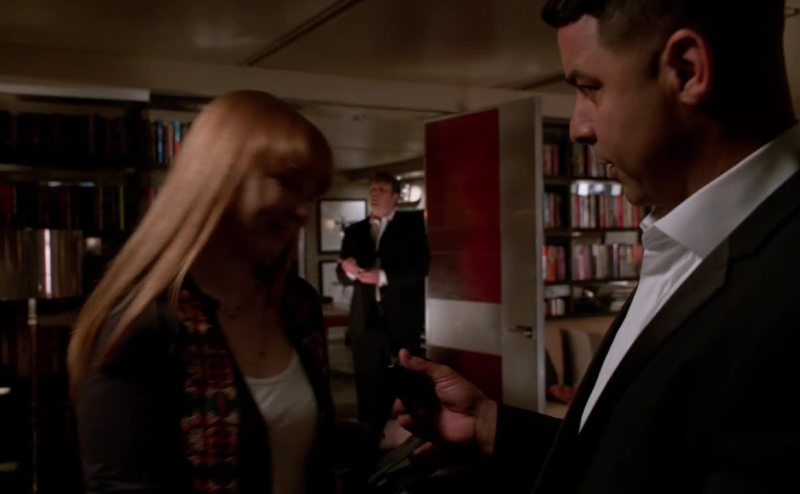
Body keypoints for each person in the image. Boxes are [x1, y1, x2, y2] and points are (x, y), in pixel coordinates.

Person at [395, 1, 800, 493]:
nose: (578, 127)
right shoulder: (684, 242)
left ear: (688, 69)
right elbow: (644, 464)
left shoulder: (783, 291)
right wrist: (489, 425)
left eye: (590, 87)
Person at [67, 90, 340, 494]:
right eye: (288, 183)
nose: (303, 211)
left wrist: (397, 433)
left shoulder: (295, 304)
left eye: (311, 194)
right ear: (218, 175)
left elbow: (285, 437)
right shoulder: (146, 323)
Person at [336, 172, 430, 436]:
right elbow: (341, 273)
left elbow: (420, 268)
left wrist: (384, 277)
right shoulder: (355, 231)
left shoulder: (412, 226)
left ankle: (412, 437)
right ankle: (370, 438)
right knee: (367, 384)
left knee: (406, 382)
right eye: (372, 190)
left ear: (395, 197)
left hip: (402, 318)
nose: (374, 194)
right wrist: (349, 271)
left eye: (381, 189)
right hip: (365, 318)